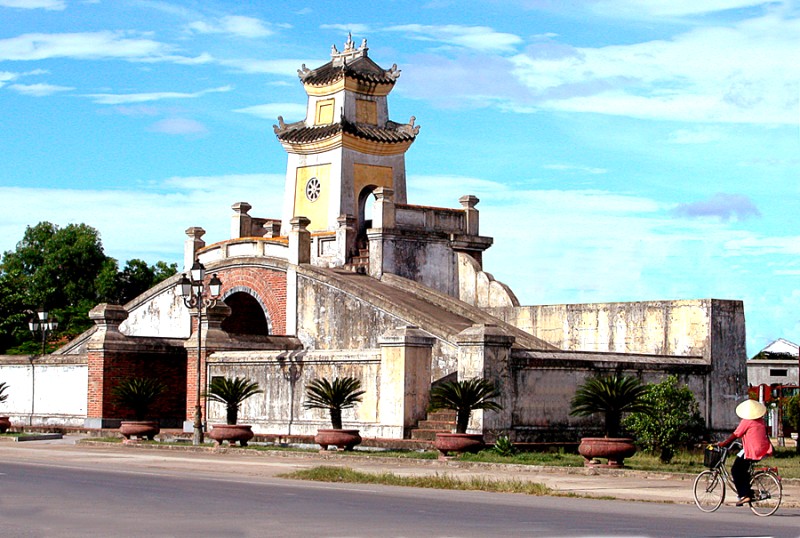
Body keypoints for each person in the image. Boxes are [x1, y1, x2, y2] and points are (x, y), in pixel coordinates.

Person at [718, 399, 773, 506]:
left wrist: (724, 444)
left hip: (752, 450)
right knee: (743, 470)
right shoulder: (761, 421)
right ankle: (748, 490)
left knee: (735, 470)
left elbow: (735, 435)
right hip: (763, 449)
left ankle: (744, 495)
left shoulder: (746, 421)